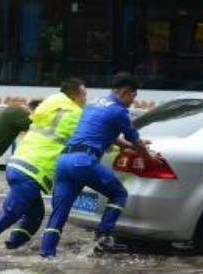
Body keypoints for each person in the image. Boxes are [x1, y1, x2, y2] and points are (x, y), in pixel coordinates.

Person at [40, 73, 161, 257]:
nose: (132, 102)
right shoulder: (119, 111)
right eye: (133, 97)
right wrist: (148, 157)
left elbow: (111, 136)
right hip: (83, 162)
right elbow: (136, 142)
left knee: (59, 214)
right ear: (123, 92)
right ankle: (103, 237)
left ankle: (46, 255)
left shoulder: (94, 104)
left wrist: (134, 145)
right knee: (119, 193)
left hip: (64, 161)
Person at [0, 78, 87, 251]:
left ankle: (13, 244)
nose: (86, 98)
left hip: (17, 163)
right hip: (33, 170)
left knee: (35, 214)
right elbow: (91, 138)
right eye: (84, 94)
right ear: (75, 96)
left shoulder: (50, 103)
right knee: (11, 212)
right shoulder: (76, 115)